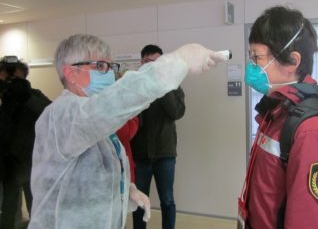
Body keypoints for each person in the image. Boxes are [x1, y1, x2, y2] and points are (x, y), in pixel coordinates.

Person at [28, 34, 225, 229]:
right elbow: (115, 103)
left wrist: (126, 190)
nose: (108, 73)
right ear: (70, 73)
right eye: (99, 66)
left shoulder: (90, 119)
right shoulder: (61, 115)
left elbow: (96, 174)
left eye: (109, 66)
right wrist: (178, 61)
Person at [238, 5, 318, 229]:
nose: (251, 67)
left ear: (293, 61)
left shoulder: (314, 132)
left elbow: (311, 221)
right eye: (250, 57)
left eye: (258, 58)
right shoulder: (277, 111)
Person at [131, 44, 185, 229]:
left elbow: (177, 112)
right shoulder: (134, 83)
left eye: (156, 63)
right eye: (147, 62)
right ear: (141, 62)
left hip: (165, 153)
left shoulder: (173, 83)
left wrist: (163, 85)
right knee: (138, 201)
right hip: (140, 154)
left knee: (167, 200)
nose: (152, 66)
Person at [0, 58, 51, 229]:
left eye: (14, 81)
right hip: (7, 165)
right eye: (7, 80)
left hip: (32, 164)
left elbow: (52, 113)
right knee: (8, 209)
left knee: (36, 208)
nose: (10, 85)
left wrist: (27, 97)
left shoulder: (33, 95)